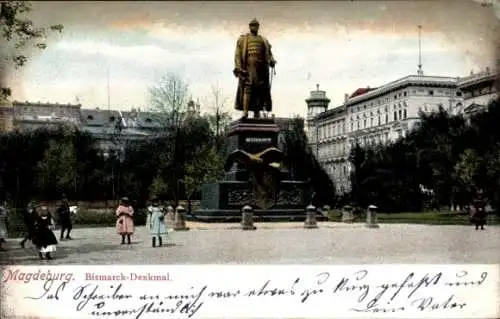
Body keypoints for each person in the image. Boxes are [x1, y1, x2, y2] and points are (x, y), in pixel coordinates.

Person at [233, 18, 276, 119]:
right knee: (247, 89)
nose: (254, 27)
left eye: (256, 25)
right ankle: (245, 112)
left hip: (261, 70)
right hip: (248, 69)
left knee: (258, 91)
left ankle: (257, 112)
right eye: (252, 25)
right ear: (249, 26)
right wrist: (238, 67)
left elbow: (269, 54)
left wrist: (271, 61)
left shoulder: (263, 40)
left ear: (258, 27)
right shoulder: (243, 40)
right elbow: (238, 55)